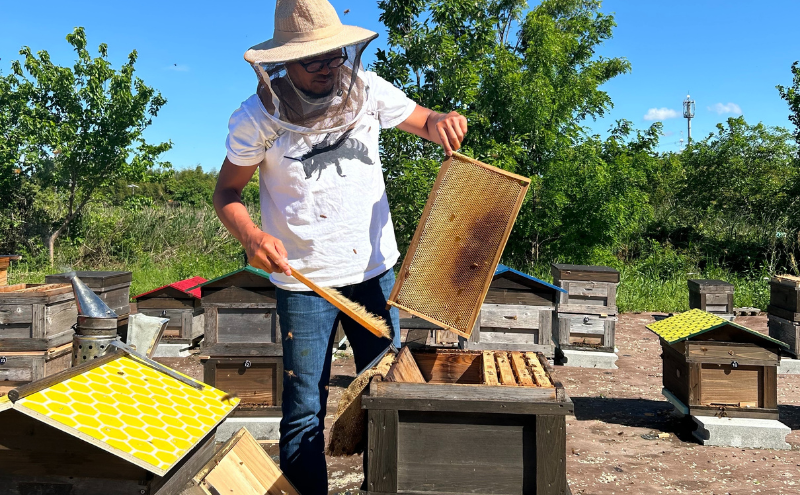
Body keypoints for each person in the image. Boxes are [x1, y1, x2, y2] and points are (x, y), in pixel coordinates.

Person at [212, 0, 467, 492]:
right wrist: (251, 235)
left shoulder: (368, 91)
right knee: (305, 408)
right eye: (314, 60)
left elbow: (425, 119)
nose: (328, 68)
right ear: (283, 61)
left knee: (388, 396)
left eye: (334, 55)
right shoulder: (255, 119)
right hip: (304, 282)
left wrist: (440, 120)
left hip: (375, 273)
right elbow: (227, 193)